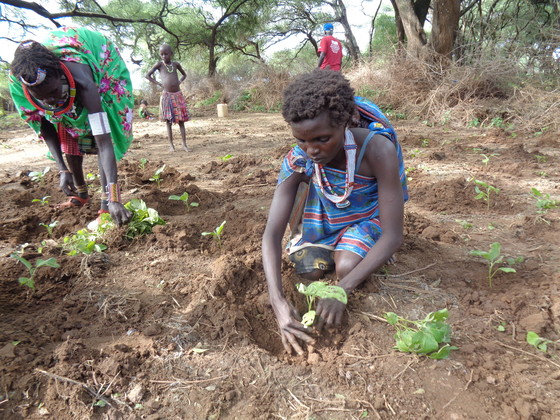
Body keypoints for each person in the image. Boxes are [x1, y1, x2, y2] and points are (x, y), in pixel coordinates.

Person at [262, 70, 408, 355]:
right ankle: (341, 245)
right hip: (325, 217)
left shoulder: (376, 150)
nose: (312, 150)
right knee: (308, 269)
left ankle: (359, 252)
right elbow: (271, 235)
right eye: (302, 140)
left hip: (368, 215)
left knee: (346, 267)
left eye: (322, 138)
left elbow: (394, 235)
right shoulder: (298, 159)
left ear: (344, 123)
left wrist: (344, 288)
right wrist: (277, 300)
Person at [9, 27, 134, 225]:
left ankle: (105, 203)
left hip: (101, 63)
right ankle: (81, 193)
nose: (50, 101)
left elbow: (103, 142)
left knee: (96, 131)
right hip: (58, 87)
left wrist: (115, 197)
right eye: (41, 97)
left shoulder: (83, 79)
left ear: (60, 75)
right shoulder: (20, 87)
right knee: (64, 126)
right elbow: (45, 126)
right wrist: (62, 169)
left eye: (53, 91)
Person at [145, 43, 190, 152]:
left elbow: (184, 74)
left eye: (166, 54)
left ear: (171, 54)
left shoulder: (175, 64)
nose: (164, 56)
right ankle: (171, 145)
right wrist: (159, 84)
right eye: (162, 54)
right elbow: (147, 75)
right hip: (167, 96)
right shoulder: (159, 65)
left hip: (177, 95)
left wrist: (179, 81)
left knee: (181, 121)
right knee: (168, 122)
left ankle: (184, 145)